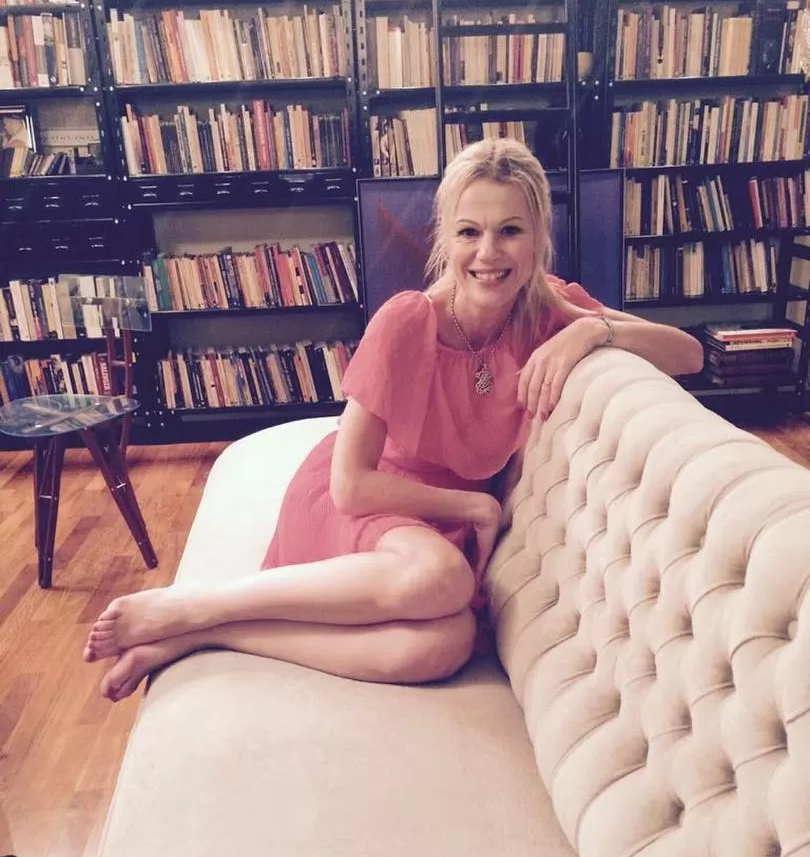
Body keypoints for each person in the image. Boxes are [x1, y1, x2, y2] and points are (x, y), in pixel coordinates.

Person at [83, 139, 703, 700]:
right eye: (469, 232)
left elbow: (689, 354)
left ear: (539, 235)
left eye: (510, 230)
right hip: (366, 499)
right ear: (445, 238)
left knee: (443, 647)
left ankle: (210, 634)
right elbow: (350, 486)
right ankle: (199, 604)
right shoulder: (409, 321)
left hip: (434, 531)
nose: (488, 253)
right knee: (440, 576)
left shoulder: (552, 308)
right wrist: (476, 505)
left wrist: (591, 331)